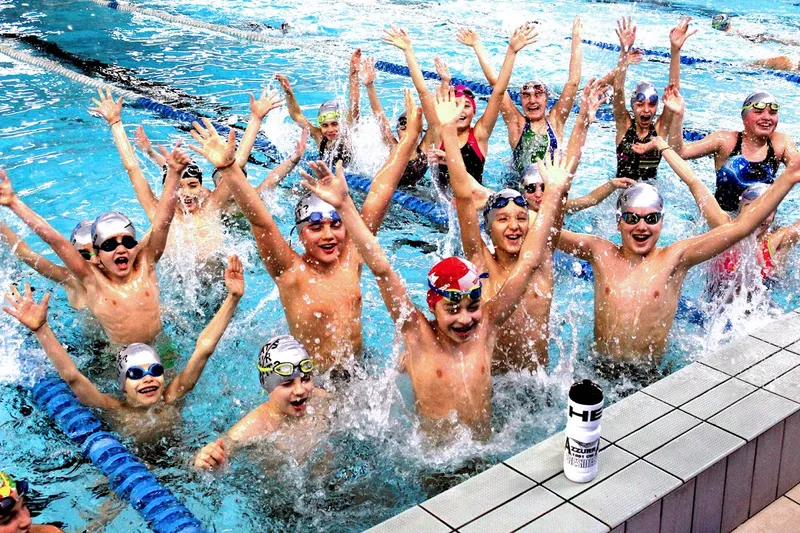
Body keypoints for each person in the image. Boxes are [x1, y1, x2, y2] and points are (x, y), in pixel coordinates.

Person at [299, 110, 573, 438]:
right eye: (452, 308)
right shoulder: (417, 335)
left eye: (472, 305)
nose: (466, 318)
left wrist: (554, 194)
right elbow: (382, 270)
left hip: (484, 454)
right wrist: (345, 208)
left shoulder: (488, 324)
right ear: (432, 306)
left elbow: (529, 263)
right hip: (434, 466)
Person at [186, 91, 423, 373]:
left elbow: (378, 194)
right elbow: (261, 222)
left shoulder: (352, 256)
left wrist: (408, 141)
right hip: (313, 384)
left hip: (360, 373)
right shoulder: (289, 271)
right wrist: (228, 168)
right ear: (300, 235)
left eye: (336, 225)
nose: (328, 235)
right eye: (316, 227)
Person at [556, 152, 800, 363]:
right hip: (600, 363)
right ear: (618, 221)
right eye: (632, 218)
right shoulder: (599, 251)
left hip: (647, 372)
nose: (641, 226)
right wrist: (553, 193)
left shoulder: (674, 258)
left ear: (661, 222)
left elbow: (742, 227)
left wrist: (788, 177)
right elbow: (548, 232)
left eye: (651, 219)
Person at [443, 81, 608, 372]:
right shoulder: (479, 260)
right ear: (489, 229)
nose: (514, 226)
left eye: (521, 217)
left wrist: (583, 121)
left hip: (537, 385)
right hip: (495, 383)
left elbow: (562, 181)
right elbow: (462, 194)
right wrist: (446, 130)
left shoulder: (541, 259)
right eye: (503, 219)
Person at [2, 256, 244, 440]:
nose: (148, 379)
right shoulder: (113, 408)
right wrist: (41, 329)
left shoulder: (172, 396)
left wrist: (232, 297)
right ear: (122, 385)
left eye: (154, 371)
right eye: (136, 374)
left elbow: (204, 348)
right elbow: (73, 377)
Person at [0, 142, 185, 345]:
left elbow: (162, 222)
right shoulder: (89, 279)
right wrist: (13, 203)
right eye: (109, 246)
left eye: (127, 242)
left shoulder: (146, 265)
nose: (121, 248)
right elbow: (55, 241)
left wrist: (175, 175)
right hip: (119, 354)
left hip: (161, 344)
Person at [382, 22, 538, 192]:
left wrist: (511, 52)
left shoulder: (479, 135)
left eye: (466, 106)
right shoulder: (439, 133)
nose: (461, 111)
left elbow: (499, 92)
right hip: (440, 208)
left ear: (474, 112)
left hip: (475, 203)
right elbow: (423, 92)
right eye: (456, 106)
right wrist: (408, 51)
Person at [654, 134, 800, 291]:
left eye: (766, 211)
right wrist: (663, 146)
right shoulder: (723, 226)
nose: (759, 217)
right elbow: (693, 181)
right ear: (740, 209)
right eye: (750, 208)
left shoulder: (777, 240)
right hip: (714, 305)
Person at [456, 17, 583, 176]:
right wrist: (477, 45)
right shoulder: (517, 125)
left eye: (538, 94)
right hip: (520, 191)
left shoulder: (556, 121)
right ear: (521, 100)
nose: (532, 100)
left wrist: (576, 40)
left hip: (548, 191)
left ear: (547, 99)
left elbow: (572, 83)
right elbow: (497, 85)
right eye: (526, 95)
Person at [193, 335, 328, 471]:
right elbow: (223, 447)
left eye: (305, 379)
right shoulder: (255, 426)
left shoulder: (321, 400)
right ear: (268, 387)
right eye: (287, 384)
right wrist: (203, 460)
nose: (300, 390)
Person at [672, 89, 799, 211]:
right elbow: (679, 153)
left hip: (761, 222)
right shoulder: (725, 141)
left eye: (772, 113)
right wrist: (677, 116)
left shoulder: (780, 143)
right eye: (758, 112)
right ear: (744, 118)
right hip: (723, 220)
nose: (767, 117)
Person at [611, 16, 694, 181]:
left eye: (652, 104)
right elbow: (618, 89)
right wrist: (624, 51)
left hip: (651, 193)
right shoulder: (624, 125)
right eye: (640, 104)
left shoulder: (660, 129)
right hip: (621, 193)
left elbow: (674, 93)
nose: (646, 110)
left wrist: (675, 51)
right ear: (632, 106)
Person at [275, 49, 362, 168]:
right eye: (325, 125)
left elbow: (354, 105)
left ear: (341, 122)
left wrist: (353, 74)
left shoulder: (347, 132)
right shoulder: (319, 136)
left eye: (334, 123)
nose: (330, 129)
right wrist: (289, 93)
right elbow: (296, 116)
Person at [360, 56, 434, 188]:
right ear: (397, 131)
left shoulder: (425, 150)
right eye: (402, 123)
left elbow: (434, 124)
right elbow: (379, 116)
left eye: (410, 122)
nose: (406, 126)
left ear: (419, 129)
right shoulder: (394, 148)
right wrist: (369, 86)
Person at [0, 220, 94, 310]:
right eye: (85, 255)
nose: (94, 260)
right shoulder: (71, 280)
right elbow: (25, 253)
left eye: (97, 252)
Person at [712, 14, 800, 48]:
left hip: (750, 37)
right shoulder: (731, 32)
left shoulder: (727, 33)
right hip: (752, 38)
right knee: (776, 39)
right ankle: (796, 44)